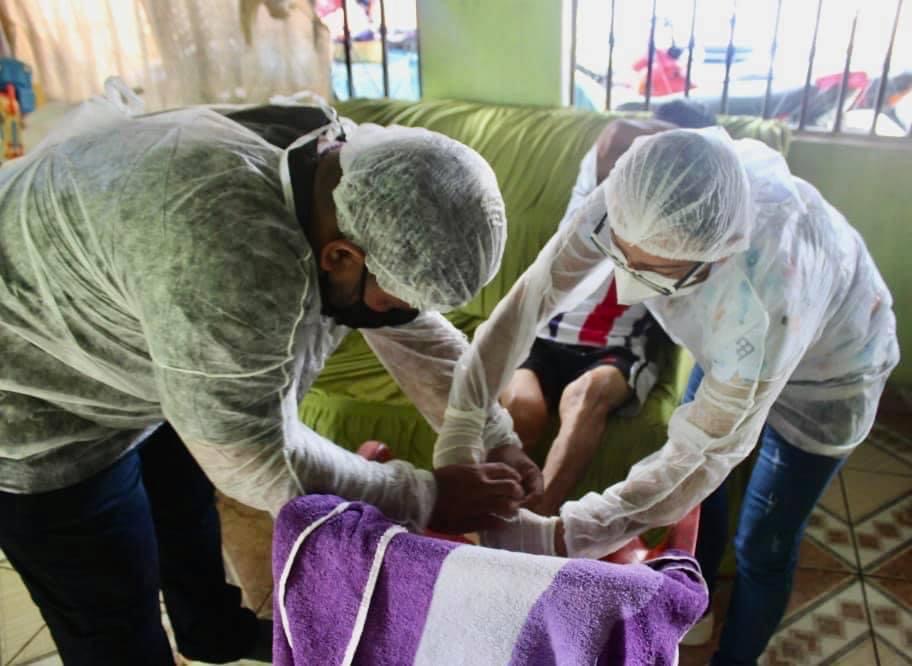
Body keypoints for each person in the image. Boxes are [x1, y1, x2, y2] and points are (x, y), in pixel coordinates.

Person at [0, 82, 541, 665]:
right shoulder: (225, 252)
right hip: (36, 406)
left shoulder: (344, 173)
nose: (400, 317)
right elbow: (251, 455)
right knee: (111, 608)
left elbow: (412, 330)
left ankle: (213, 634)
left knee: (185, 520)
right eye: (394, 300)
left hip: (136, 348)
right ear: (339, 258)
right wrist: (428, 497)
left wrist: (493, 438)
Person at [433, 126, 899, 664]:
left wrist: (567, 536)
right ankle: (695, 610)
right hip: (730, 349)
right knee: (704, 506)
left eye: (656, 273)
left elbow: (702, 453)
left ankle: (735, 657)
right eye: (621, 257)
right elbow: (529, 303)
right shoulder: (635, 197)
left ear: (715, 258)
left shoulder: (769, 292)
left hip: (830, 379)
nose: (628, 283)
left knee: (762, 545)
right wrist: (464, 422)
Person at [500, 101, 715, 516]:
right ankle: (493, 517)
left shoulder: (690, 211)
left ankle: (535, 524)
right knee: (522, 408)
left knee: (586, 395)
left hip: (615, 346)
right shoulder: (605, 179)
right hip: (545, 333)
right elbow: (618, 133)